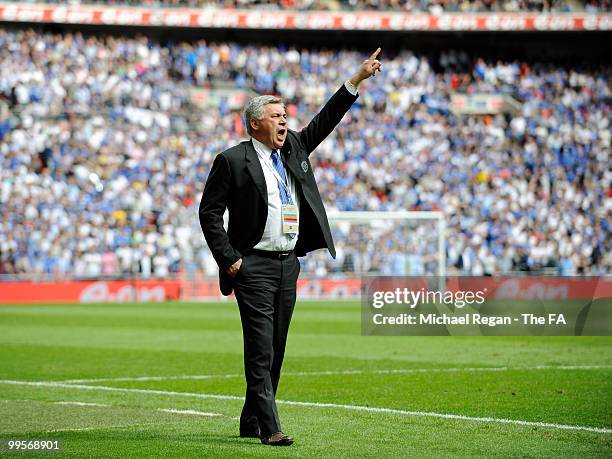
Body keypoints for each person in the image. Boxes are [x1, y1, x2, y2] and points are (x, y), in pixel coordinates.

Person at [199, 48, 382, 446]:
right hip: (252, 267)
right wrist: (229, 259)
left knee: (276, 349)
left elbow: (325, 121)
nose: (285, 121)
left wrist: (355, 80)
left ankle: (251, 420)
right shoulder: (232, 161)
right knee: (261, 348)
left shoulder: (294, 149)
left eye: (285, 116)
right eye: (276, 116)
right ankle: (270, 428)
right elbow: (209, 214)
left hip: (288, 265)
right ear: (254, 124)